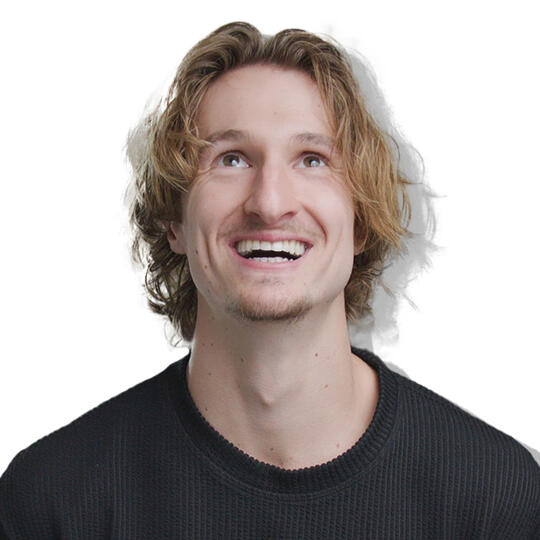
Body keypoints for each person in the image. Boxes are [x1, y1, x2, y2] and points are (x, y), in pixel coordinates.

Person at [1, 21, 538, 539]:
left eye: (312, 159)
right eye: (232, 159)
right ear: (173, 220)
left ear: (361, 221)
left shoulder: (495, 500)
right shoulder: (52, 501)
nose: (270, 202)